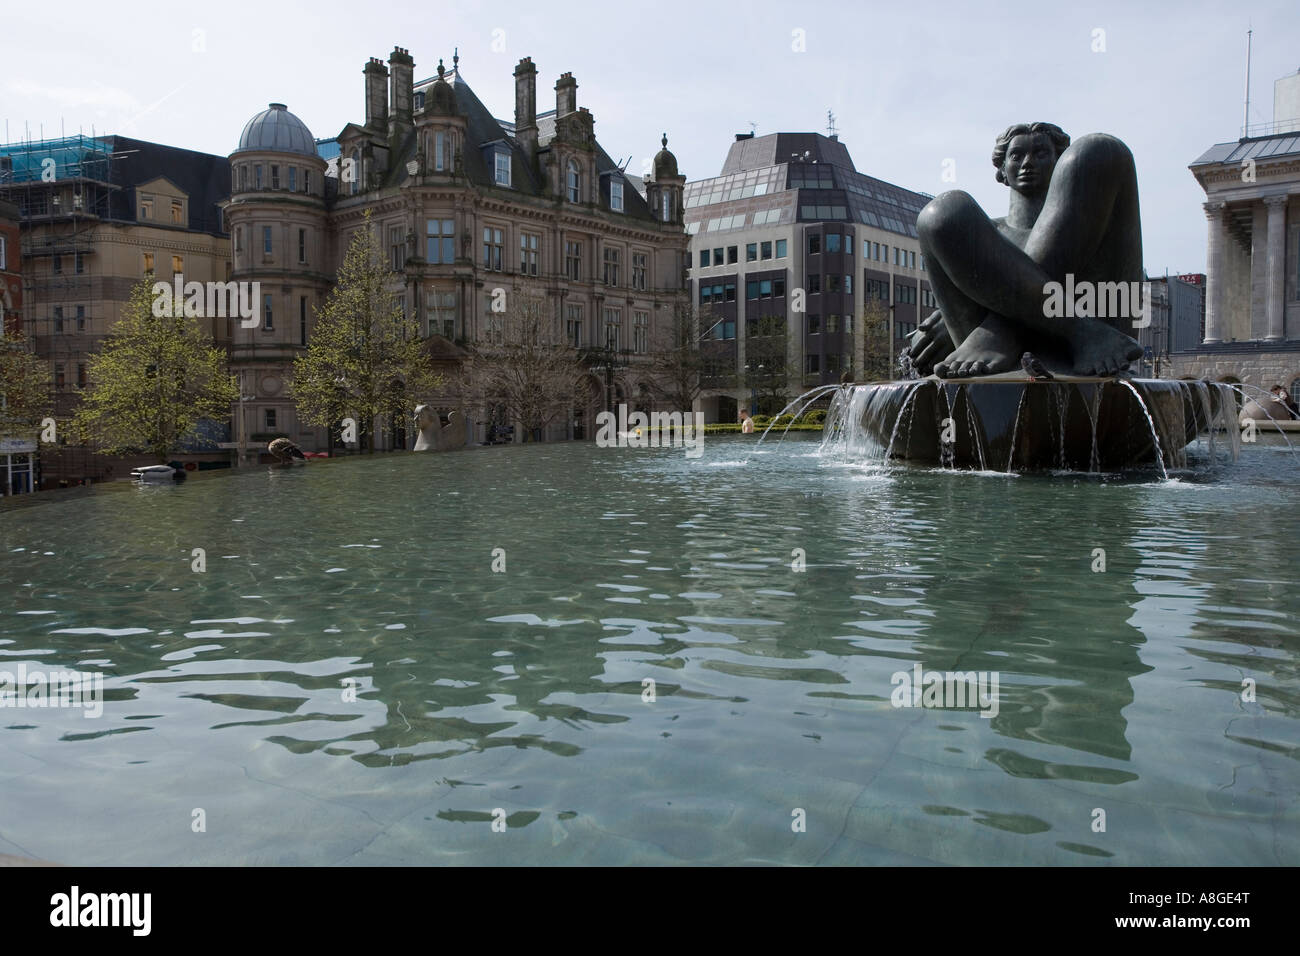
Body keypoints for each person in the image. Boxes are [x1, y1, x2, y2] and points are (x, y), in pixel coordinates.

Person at [907, 122, 1145, 378]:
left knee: (1099, 150)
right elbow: (920, 348)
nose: (1028, 163)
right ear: (1002, 170)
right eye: (1017, 155)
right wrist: (946, 319)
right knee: (941, 212)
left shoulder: (1097, 219)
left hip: (1099, 322)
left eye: (1041, 154)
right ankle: (1078, 329)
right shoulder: (978, 236)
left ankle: (998, 333)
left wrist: (991, 323)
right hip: (1084, 337)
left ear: (1060, 164)